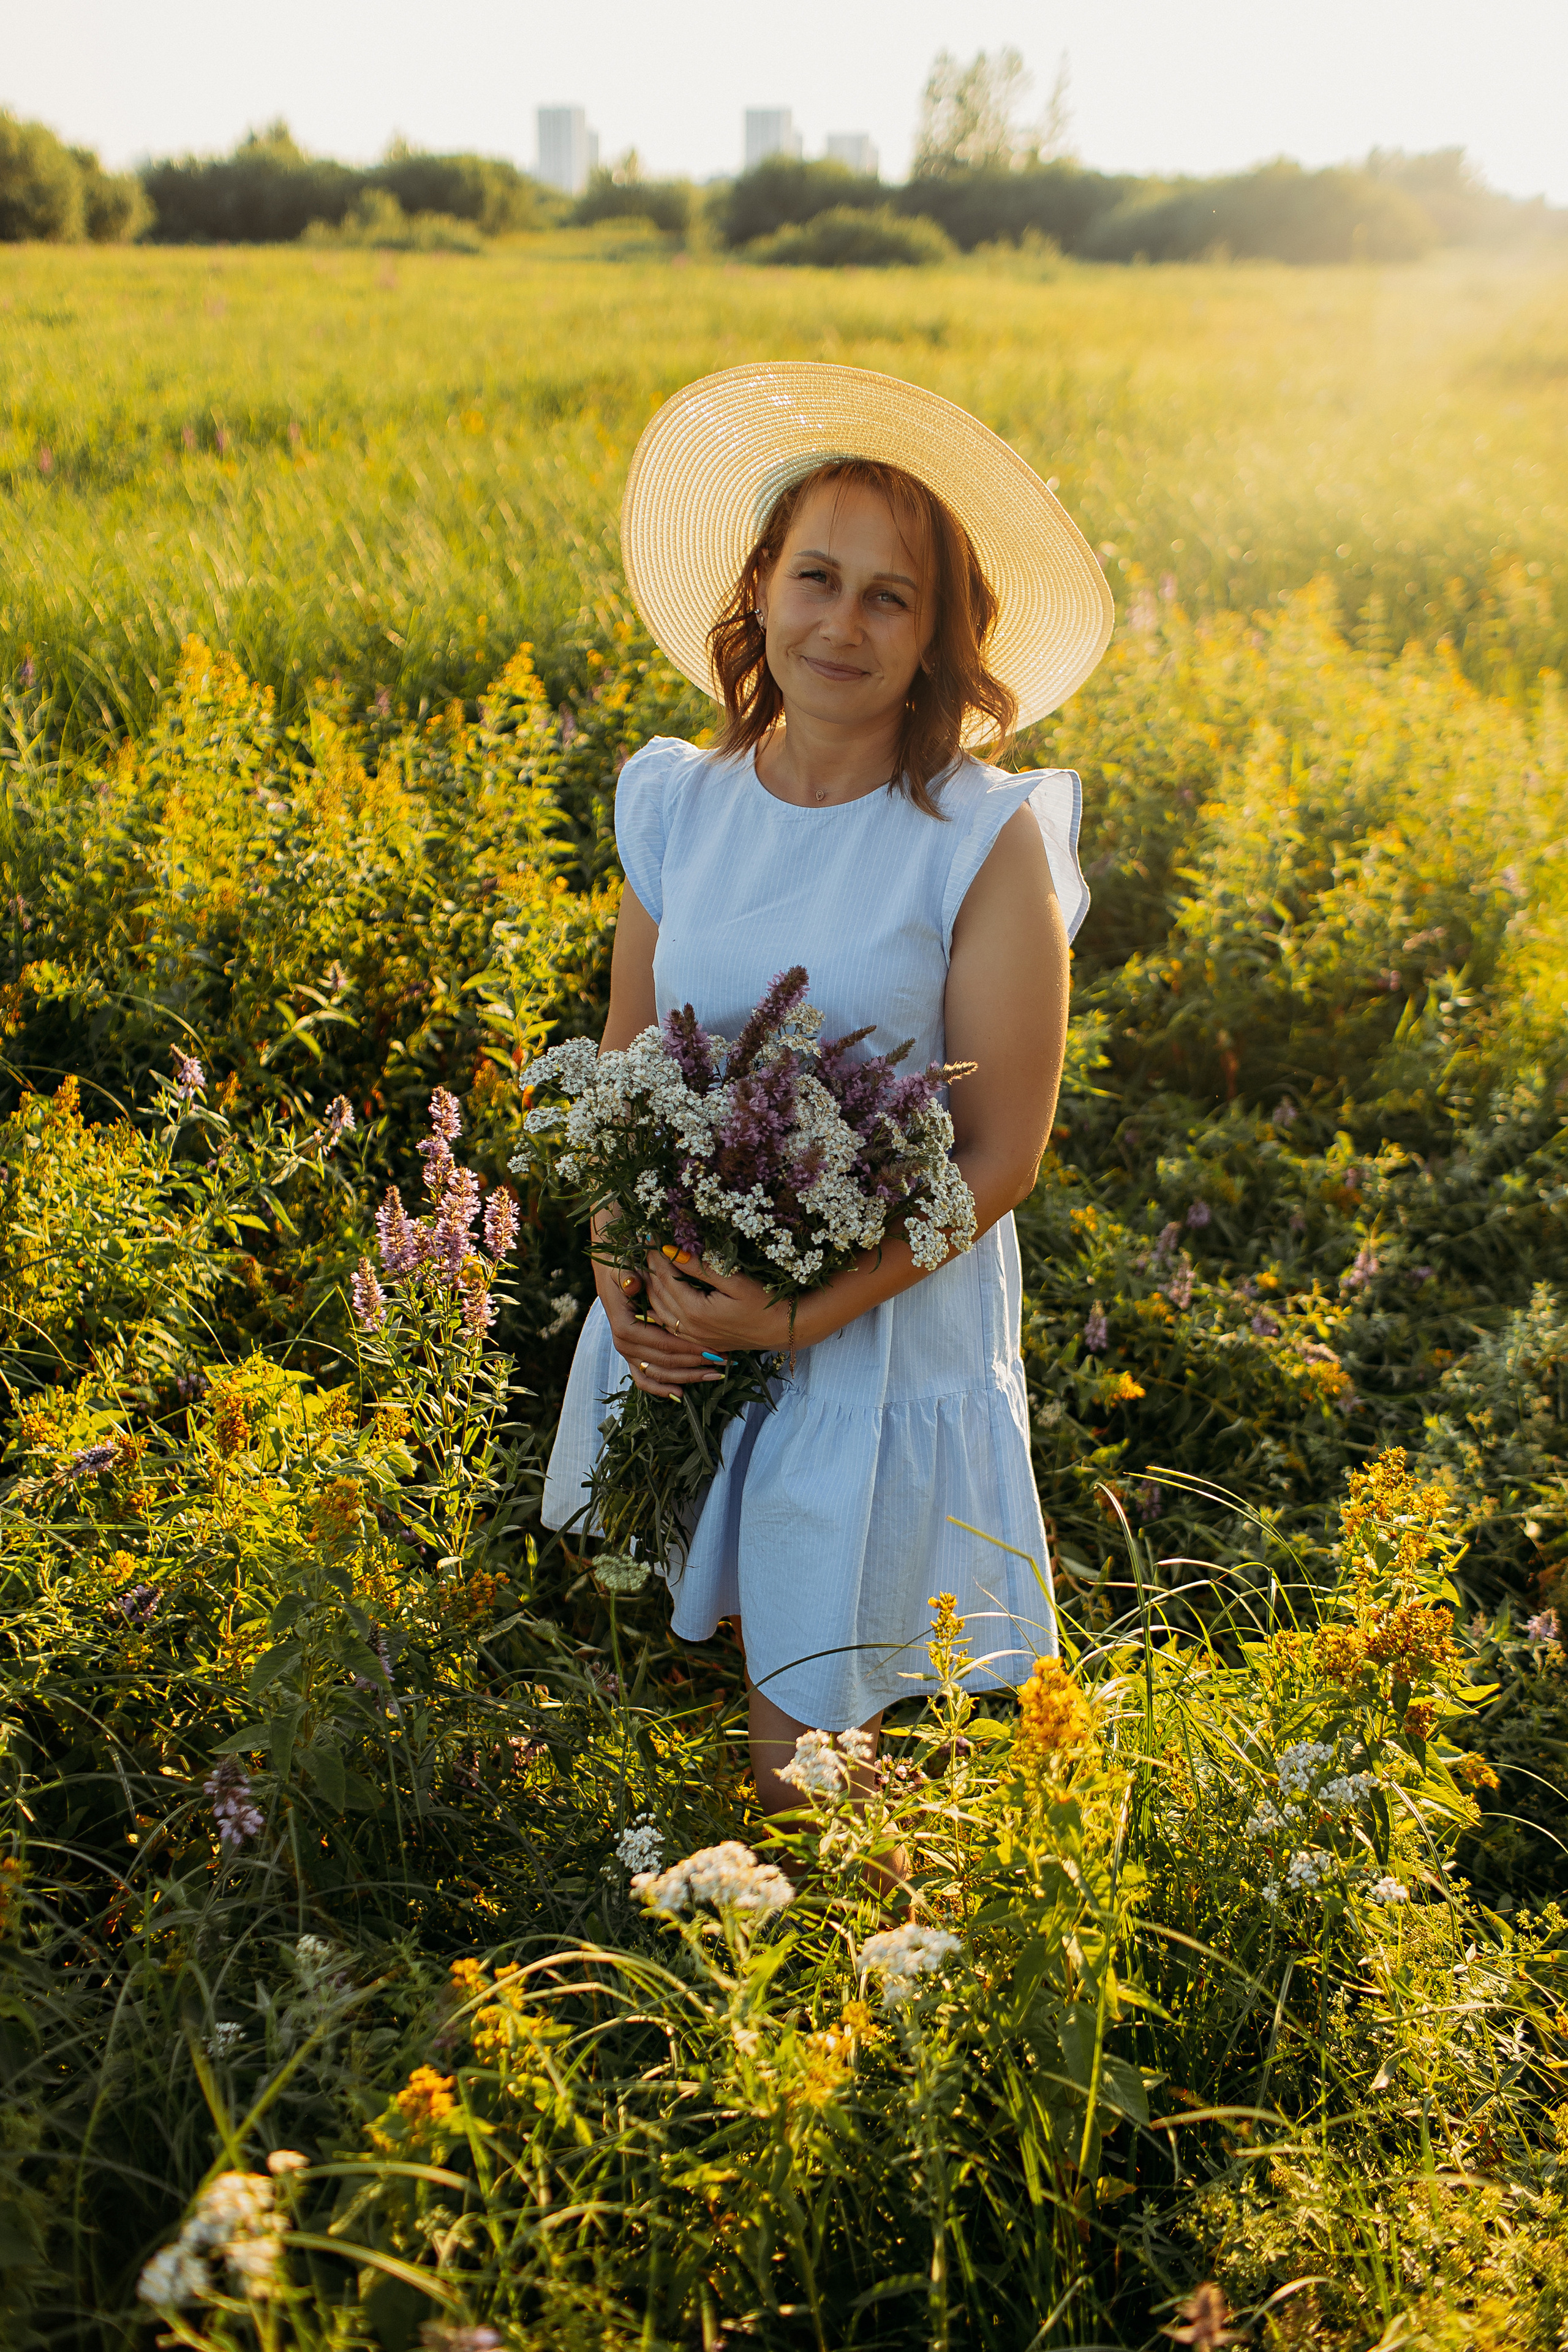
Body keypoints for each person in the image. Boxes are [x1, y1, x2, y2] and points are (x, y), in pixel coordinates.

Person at [541, 361, 1113, 1818]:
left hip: (867, 1328)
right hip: (689, 1306)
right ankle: (816, 1954)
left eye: (889, 597)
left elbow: (997, 1154)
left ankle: (837, 1988)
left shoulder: (978, 844)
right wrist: (619, 1252)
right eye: (816, 576)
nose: (840, 622)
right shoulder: (682, 804)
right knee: (758, 1655)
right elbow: (624, 1052)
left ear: (939, 640)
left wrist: (800, 1312)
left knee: (802, 1747)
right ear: (757, 590)